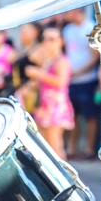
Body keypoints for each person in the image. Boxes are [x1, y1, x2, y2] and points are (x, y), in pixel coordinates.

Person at [25, 25, 74, 159]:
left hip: (56, 107)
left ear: (61, 41)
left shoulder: (62, 60)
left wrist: (38, 73)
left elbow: (61, 82)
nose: (47, 42)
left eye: (51, 39)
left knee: (55, 147)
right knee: (45, 146)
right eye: (44, 38)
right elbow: (32, 56)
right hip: (44, 106)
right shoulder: (49, 59)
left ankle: (63, 172)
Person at [63, 8, 100, 159]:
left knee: (90, 116)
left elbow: (95, 55)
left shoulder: (91, 28)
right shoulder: (67, 30)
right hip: (71, 80)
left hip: (87, 80)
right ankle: (72, 148)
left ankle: (89, 149)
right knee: (73, 115)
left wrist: (80, 71)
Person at [11, 22, 43, 111]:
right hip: (21, 95)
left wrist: (29, 87)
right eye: (21, 30)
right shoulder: (23, 50)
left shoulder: (39, 50)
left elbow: (45, 71)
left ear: (36, 32)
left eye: (26, 30)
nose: (22, 32)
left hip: (33, 96)